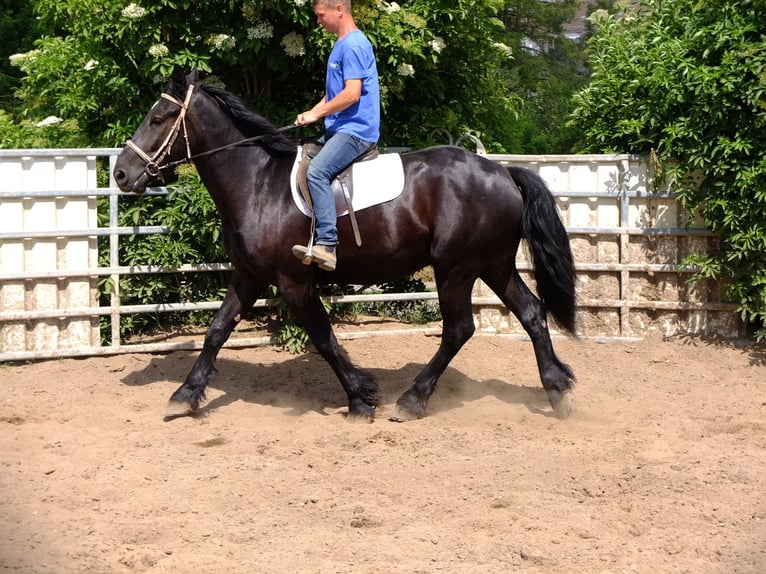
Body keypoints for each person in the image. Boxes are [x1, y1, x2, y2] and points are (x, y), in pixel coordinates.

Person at [291, 0, 380, 272]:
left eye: (321, 15)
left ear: (339, 9)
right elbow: (334, 94)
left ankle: (327, 244)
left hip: (356, 130)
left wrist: (317, 115)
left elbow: (352, 94)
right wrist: (313, 111)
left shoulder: (353, 45)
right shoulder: (342, 44)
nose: (319, 22)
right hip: (339, 128)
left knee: (316, 172)